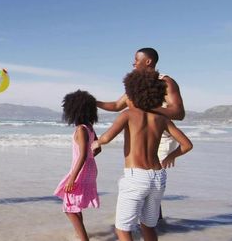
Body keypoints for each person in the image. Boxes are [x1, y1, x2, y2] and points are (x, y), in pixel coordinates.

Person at [91, 69, 193, 241]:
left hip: (136, 177)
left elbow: (107, 137)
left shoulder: (128, 115)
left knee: (123, 229)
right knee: (148, 226)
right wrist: (171, 156)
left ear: (134, 93)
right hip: (158, 177)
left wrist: (96, 142)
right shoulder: (162, 118)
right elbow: (187, 145)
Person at [97, 47, 185, 219]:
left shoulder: (165, 82)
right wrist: (93, 102)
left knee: (148, 180)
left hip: (159, 136)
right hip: (138, 132)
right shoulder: (137, 85)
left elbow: (179, 113)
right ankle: (150, 223)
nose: (133, 63)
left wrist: (148, 109)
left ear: (148, 61)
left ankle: (151, 223)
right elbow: (116, 106)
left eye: (136, 60)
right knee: (143, 181)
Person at [53, 90, 101, 241]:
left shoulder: (81, 129)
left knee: (69, 208)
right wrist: (90, 159)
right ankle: (80, 235)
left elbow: (82, 155)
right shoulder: (89, 127)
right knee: (74, 204)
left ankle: (83, 238)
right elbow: (97, 148)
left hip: (81, 170)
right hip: (90, 168)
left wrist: (72, 178)